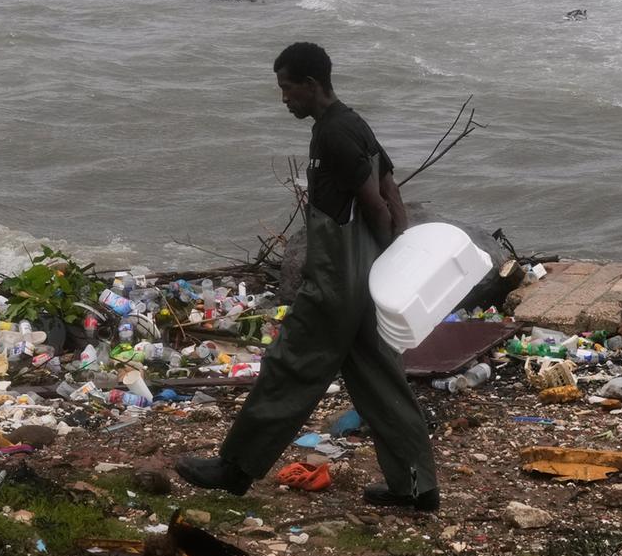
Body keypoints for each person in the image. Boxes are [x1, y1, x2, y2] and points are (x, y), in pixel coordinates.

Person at [176, 41, 440, 511]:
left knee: (288, 369)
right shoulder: (355, 122)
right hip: (367, 282)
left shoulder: (332, 133)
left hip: (337, 282)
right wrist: (395, 257)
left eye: (287, 88)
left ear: (311, 85)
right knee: (382, 384)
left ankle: (234, 469)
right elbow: (390, 187)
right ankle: (418, 490)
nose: (284, 99)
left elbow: (376, 204)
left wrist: (384, 249)